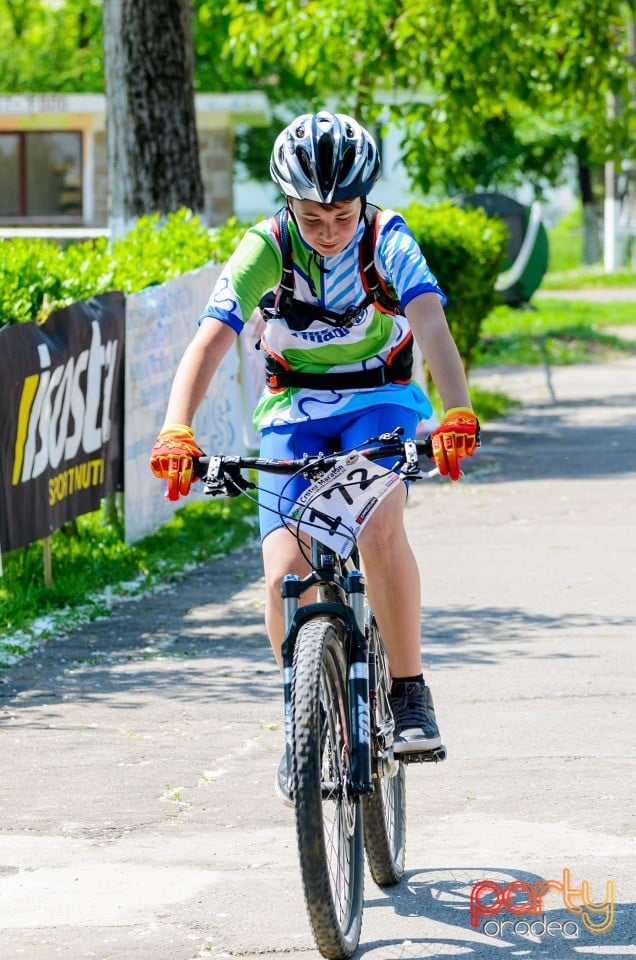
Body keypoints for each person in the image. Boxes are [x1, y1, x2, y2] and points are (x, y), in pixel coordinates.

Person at [150, 111, 479, 804]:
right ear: (286, 203)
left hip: (380, 404)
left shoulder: (387, 240)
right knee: (281, 578)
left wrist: (454, 410)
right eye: (311, 216)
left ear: (363, 201)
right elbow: (209, 340)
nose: (328, 231)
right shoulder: (265, 247)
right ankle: (305, 711)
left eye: (340, 214)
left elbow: (429, 322)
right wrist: (176, 429)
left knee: (379, 526)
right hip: (293, 412)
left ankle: (409, 690)